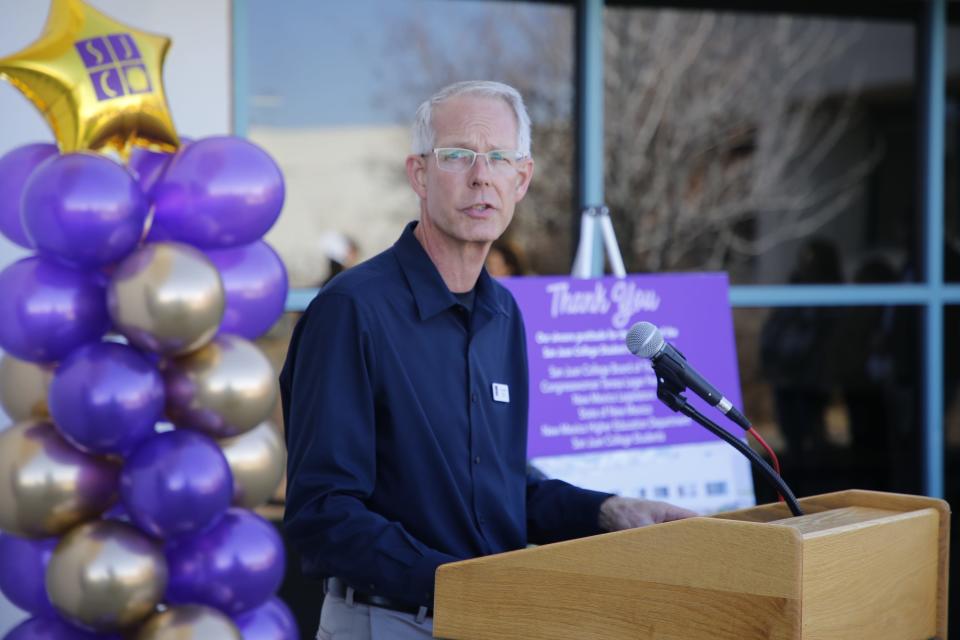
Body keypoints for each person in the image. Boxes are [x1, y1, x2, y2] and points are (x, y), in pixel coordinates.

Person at [280, 80, 695, 640]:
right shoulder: (351, 311)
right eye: (458, 156)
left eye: (499, 158)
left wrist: (609, 511)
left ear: (521, 179)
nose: (481, 176)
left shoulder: (503, 313)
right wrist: (463, 584)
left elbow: (498, 489)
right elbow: (323, 515)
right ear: (419, 175)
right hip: (388, 622)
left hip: (491, 617)